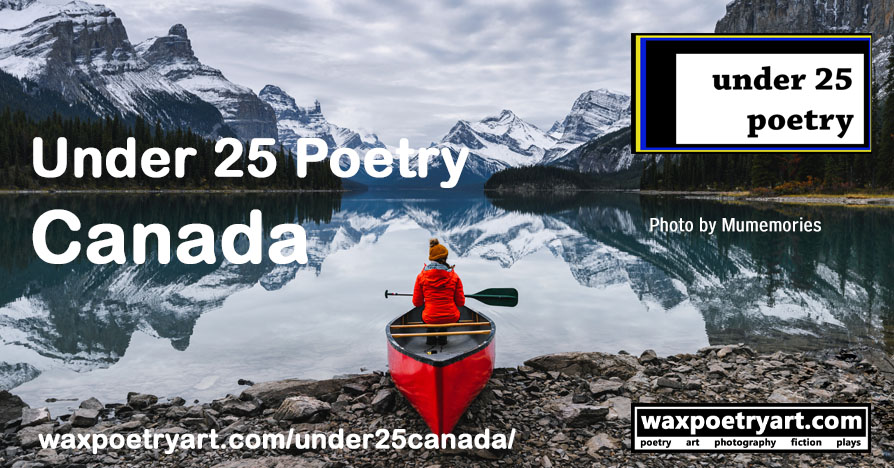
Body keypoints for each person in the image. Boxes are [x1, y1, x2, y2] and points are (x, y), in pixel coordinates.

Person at [413, 238, 465, 345]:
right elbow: (461, 303)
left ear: (431, 258)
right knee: (445, 320)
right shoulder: (455, 277)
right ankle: (443, 340)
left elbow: (417, 303)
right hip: (451, 317)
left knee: (427, 316)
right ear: (445, 258)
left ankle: (430, 341)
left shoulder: (421, 277)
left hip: (429, 318)